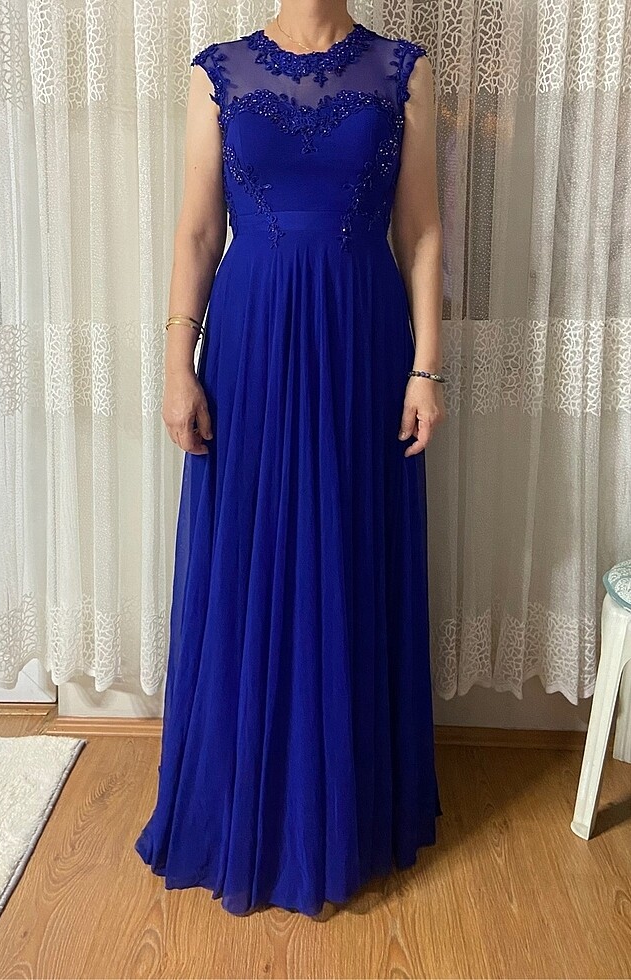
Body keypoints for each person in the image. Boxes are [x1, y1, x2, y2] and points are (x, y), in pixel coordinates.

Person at [134, 1, 445, 918]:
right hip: (250, 346)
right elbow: (198, 233)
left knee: (347, 560)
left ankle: (344, 819)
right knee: (247, 565)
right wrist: (176, 365)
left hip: (361, 344)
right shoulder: (218, 72)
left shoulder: (403, 69)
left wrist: (427, 367)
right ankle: (241, 809)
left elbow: (422, 232)